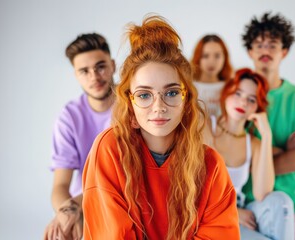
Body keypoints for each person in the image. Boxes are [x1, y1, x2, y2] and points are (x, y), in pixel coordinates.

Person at [82, 15, 240, 240]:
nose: (158, 106)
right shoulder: (109, 149)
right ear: (130, 103)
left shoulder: (211, 166)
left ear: (186, 101)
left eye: (172, 93)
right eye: (144, 95)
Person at [241, 12, 295, 239]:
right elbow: (234, 156)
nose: (265, 50)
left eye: (272, 44)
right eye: (258, 45)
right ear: (250, 52)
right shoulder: (239, 98)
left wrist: (255, 158)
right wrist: (282, 152)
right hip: (249, 203)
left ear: (284, 51)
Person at [203, 68, 295, 240]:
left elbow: (262, 194)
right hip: (212, 214)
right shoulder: (206, 127)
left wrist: (267, 136)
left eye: (251, 99)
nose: (243, 102)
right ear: (227, 93)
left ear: (257, 107)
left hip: (243, 214)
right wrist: (234, 212)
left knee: (281, 201)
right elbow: (194, 186)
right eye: (238, 93)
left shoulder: (254, 144)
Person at [44, 33, 116, 240]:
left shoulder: (134, 106)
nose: (94, 77)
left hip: (123, 200)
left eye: (100, 66)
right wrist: (66, 215)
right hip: (82, 204)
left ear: (113, 65)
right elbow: (59, 186)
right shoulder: (69, 118)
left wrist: (76, 206)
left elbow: (128, 178)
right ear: (76, 75)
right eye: (84, 71)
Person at [191, 34, 233, 118]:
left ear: (225, 58)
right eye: (205, 56)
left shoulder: (231, 87)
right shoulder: (189, 87)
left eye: (217, 56)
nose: (211, 61)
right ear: (198, 57)